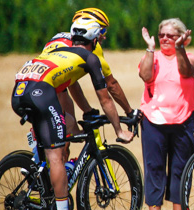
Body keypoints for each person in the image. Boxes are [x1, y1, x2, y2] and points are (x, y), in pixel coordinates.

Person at [11, 16, 134, 210]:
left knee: (66, 125)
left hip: (19, 92)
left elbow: (70, 85)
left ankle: (38, 170)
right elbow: (105, 98)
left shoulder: (60, 52)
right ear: (95, 39)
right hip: (41, 93)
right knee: (56, 154)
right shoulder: (89, 57)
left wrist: (84, 111)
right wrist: (119, 130)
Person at [42, 8, 138, 139]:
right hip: (50, 89)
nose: (104, 36)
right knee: (62, 143)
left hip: (37, 83)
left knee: (67, 131)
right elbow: (111, 84)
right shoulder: (91, 45)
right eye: (102, 30)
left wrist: (87, 110)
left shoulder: (59, 37)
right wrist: (130, 112)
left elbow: (70, 81)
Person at [138, 18, 194, 210]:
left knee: (180, 168)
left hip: (184, 119)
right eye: (162, 34)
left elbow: (185, 71)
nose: (165, 38)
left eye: (170, 36)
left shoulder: (189, 58)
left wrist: (179, 48)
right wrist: (149, 48)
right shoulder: (152, 57)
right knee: (154, 167)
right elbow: (146, 76)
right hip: (153, 119)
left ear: (183, 38)